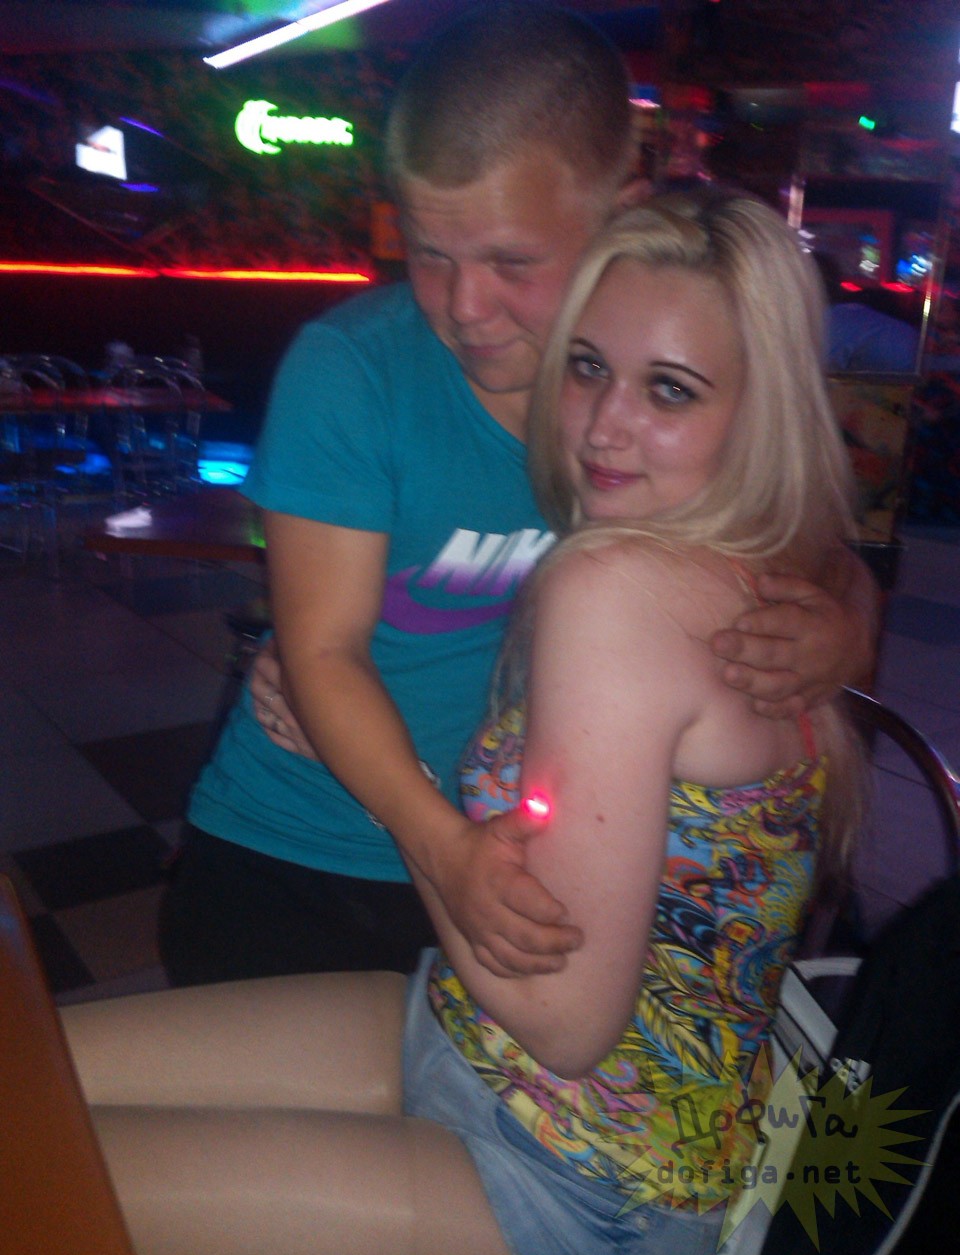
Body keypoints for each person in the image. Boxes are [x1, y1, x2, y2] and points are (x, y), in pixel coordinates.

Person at [63, 189, 864, 1255]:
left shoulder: (617, 588)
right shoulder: (763, 571)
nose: (603, 426)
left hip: (575, 1183)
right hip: (469, 1046)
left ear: (764, 411)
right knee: (34, 1079)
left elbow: (564, 1022)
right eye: (588, 368)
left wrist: (396, 791)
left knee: (38, 1161)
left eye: (670, 389)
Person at [160, 0, 876, 988]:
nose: (464, 306)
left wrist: (841, 627)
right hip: (305, 855)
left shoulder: (661, 399)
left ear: (621, 206)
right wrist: (444, 845)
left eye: (512, 261)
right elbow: (323, 653)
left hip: (551, 871)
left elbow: (811, 545)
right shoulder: (353, 369)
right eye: (430, 251)